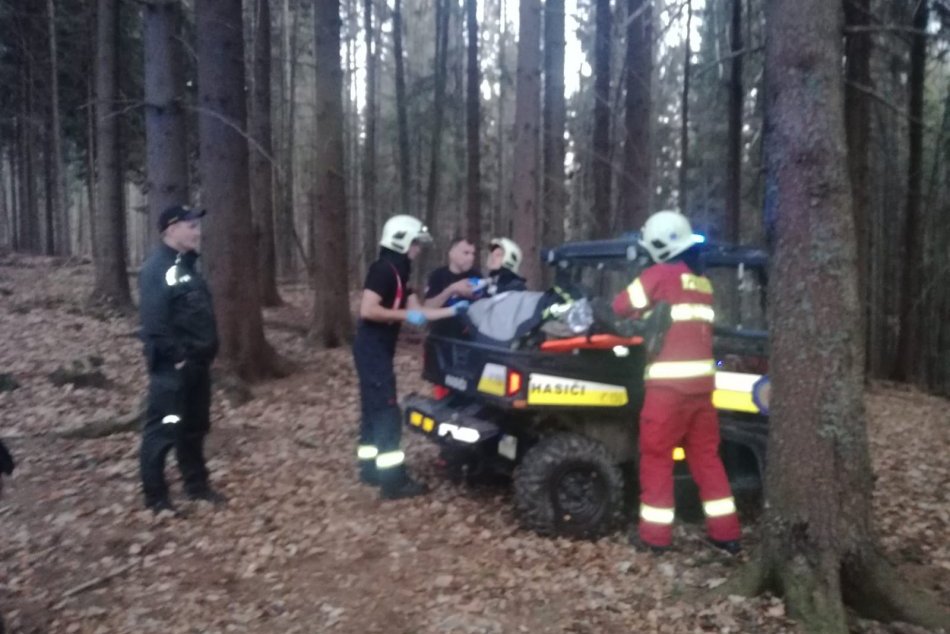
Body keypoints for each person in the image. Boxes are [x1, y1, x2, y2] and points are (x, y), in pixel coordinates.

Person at [612, 210, 741, 554]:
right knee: (707, 460)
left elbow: (621, 306)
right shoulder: (703, 285)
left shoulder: (658, 275)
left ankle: (654, 538)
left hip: (667, 392)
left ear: (656, 244)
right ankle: (726, 534)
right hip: (702, 392)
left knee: (657, 459)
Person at [354, 214, 469, 499]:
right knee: (387, 413)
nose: (418, 248)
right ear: (402, 240)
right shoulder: (383, 270)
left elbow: (420, 313)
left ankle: (369, 468)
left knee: (373, 409)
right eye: (416, 242)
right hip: (371, 348)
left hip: (377, 349)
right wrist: (405, 314)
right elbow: (368, 310)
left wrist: (454, 310)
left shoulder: (400, 272)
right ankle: (393, 482)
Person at [138, 205, 223, 514]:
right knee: (164, 430)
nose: (197, 231)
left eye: (197, 225)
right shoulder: (157, 268)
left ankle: (197, 486)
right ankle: (157, 499)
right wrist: (177, 359)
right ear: (170, 230)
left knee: (194, 429)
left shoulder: (186, 268)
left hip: (198, 368)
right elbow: (154, 324)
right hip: (173, 372)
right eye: (190, 226)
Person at [424, 237, 480, 308]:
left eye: (473, 254)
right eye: (466, 253)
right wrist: (451, 289)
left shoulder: (476, 275)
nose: (471, 258)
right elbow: (427, 308)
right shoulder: (438, 276)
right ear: (452, 254)